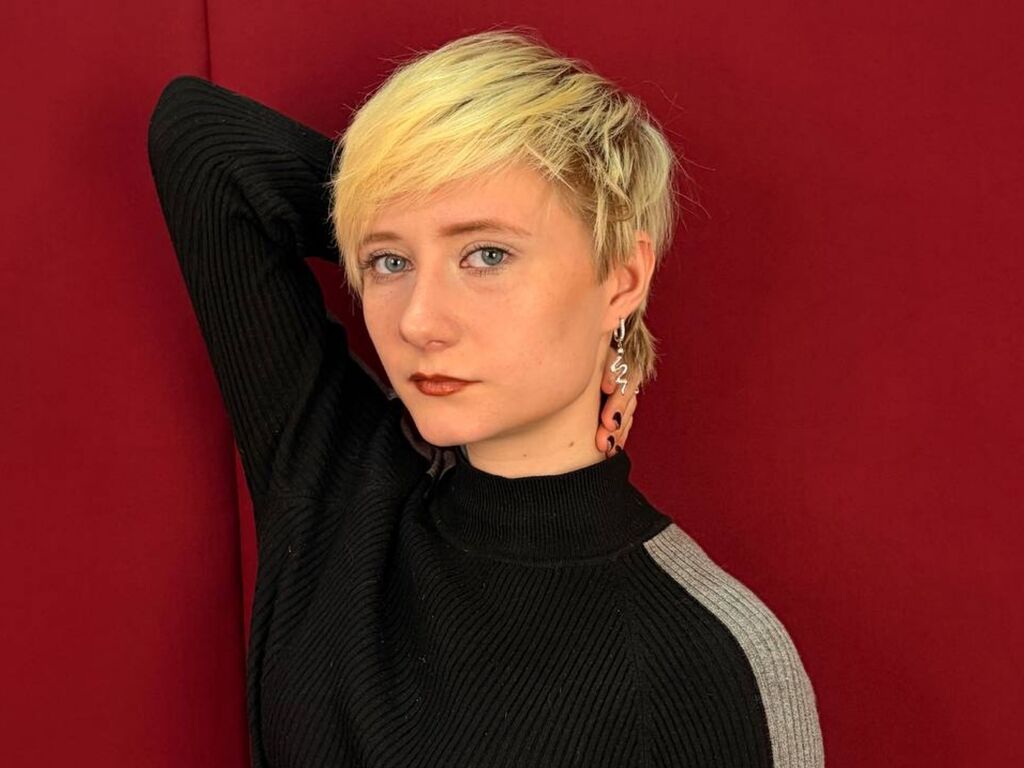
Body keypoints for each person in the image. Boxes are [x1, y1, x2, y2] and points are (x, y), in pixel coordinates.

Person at [147, 28, 824, 768]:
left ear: (622, 278)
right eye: (389, 262)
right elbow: (201, 144)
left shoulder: (711, 657)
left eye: (488, 254)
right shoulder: (338, 488)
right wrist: (383, 198)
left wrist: (412, 212)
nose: (418, 321)